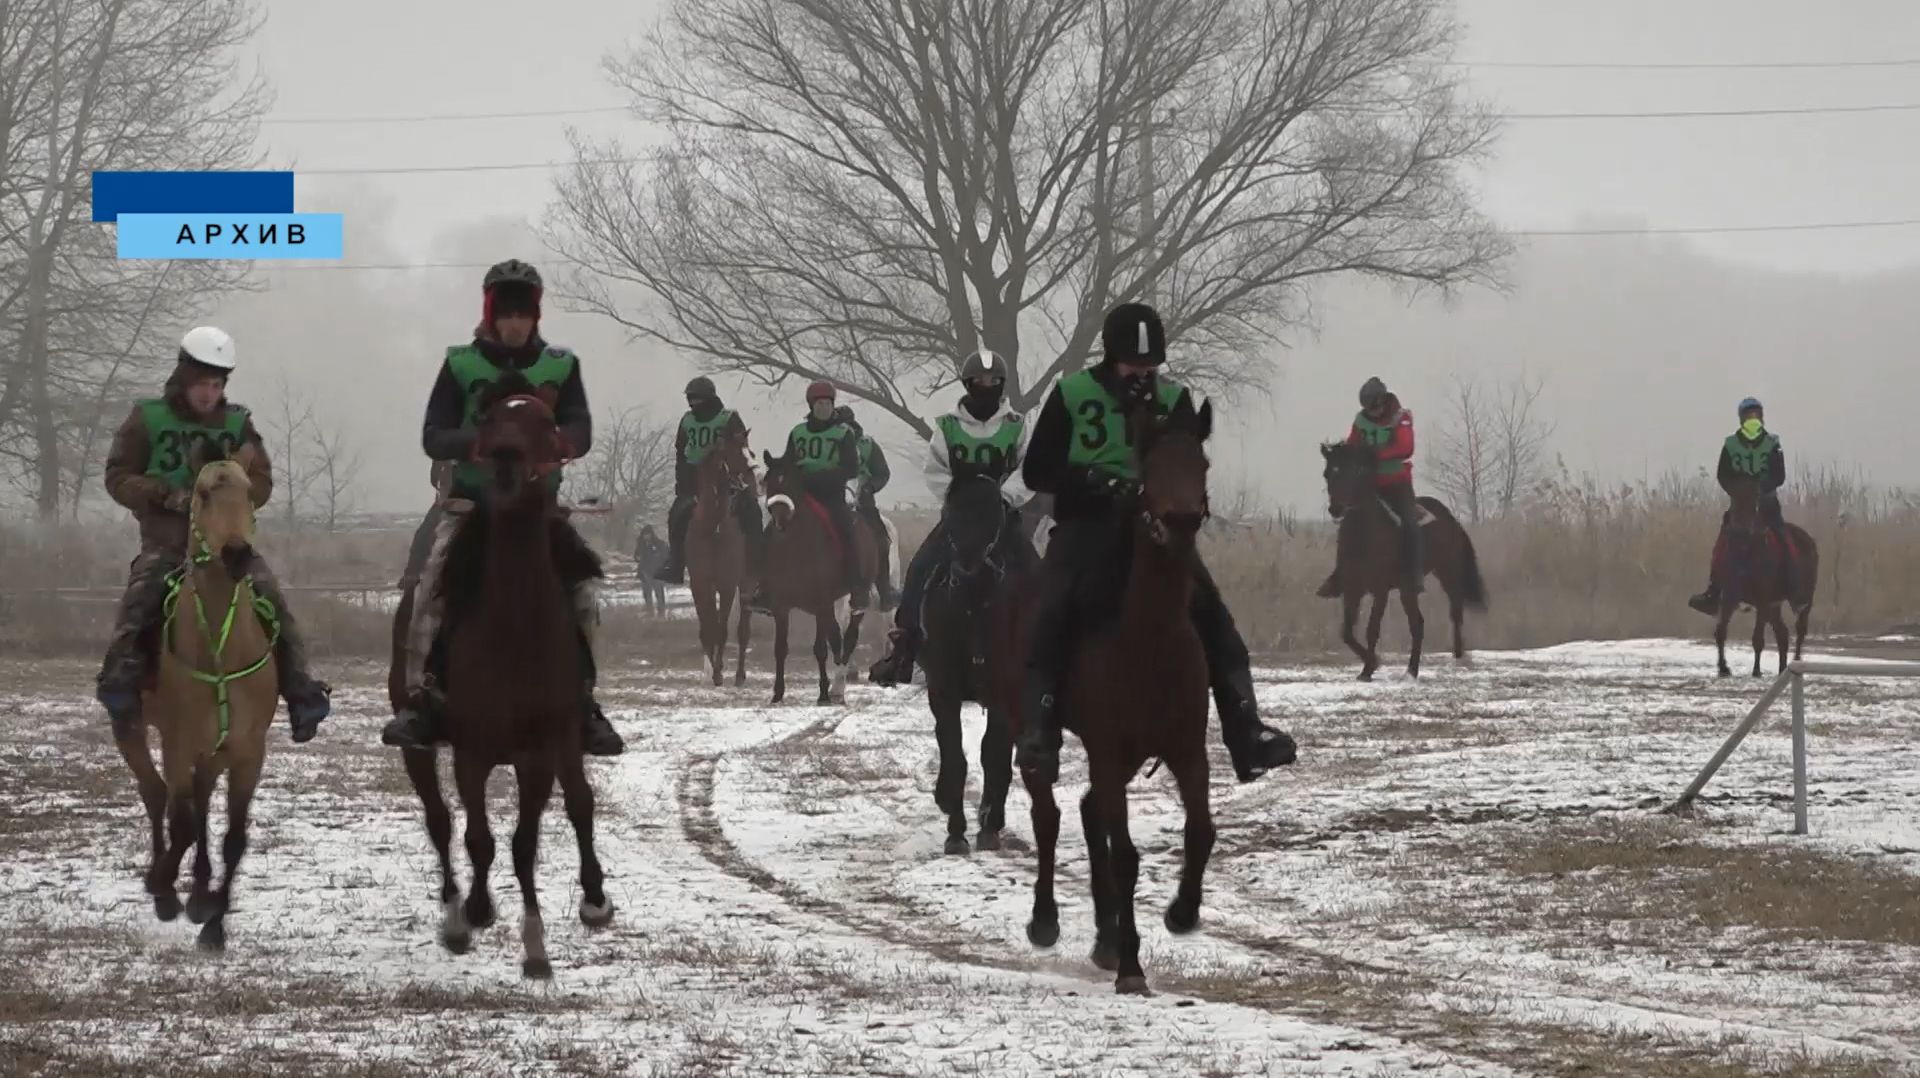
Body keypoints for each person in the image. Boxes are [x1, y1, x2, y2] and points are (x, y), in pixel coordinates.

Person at [1013, 302, 1297, 785]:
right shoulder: (1072, 393)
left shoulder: (1175, 400)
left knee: (1212, 613)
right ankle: (1039, 729)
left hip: (1158, 531)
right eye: (1133, 366)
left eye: (1151, 367)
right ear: (1111, 358)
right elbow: (1037, 470)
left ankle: (1245, 732)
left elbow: (1188, 461)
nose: (1143, 375)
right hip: (1087, 524)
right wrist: (1091, 480)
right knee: (1054, 605)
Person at [379, 259, 623, 755]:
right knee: (429, 591)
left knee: (583, 596)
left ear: (535, 315)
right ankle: (421, 700)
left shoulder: (561, 364)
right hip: (471, 506)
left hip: (538, 511)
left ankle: (584, 702)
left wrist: (555, 443)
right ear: (491, 314)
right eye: (506, 314)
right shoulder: (459, 364)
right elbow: (433, 435)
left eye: (523, 314)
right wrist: (481, 444)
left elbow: (581, 429)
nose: (515, 324)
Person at [96, 326, 332, 744]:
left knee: (271, 597)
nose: (208, 393)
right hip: (168, 541)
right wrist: (161, 493)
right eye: (201, 383)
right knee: (143, 594)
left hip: (228, 542)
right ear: (183, 378)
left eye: (216, 384)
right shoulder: (147, 418)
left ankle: (300, 690)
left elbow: (262, 480)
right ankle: (122, 679)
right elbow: (117, 476)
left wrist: (235, 494)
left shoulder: (238, 423)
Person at [869, 349, 1030, 686]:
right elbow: (935, 470)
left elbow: (1026, 470)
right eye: (980, 381)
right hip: (959, 518)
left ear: (1002, 384)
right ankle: (904, 648)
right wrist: (959, 499)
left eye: (993, 381)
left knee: (1036, 570)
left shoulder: (1017, 425)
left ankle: (1047, 650)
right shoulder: (948, 426)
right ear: (968, 383)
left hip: (1001, 517)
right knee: (920, 568)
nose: (987, 386)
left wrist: (1003, 497)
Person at [749, 381, 871, 612]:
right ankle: (764, 587)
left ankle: (857, 586)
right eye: (820, 403)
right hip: (801, 493)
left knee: (847, 529)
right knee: (772, 530)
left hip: (831, 494)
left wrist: (828, 476)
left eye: (828, 403)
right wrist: (775, 467)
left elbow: (851, 468)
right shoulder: (798, 432)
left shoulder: (843, 433)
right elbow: (788, 460)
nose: (824, 407)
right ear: (812, 406)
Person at [653, 376, 766, 586]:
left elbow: (741, 448)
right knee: (676, 516)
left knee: (752, 511)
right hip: (694, 479)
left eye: (697, 399)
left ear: (709, 398)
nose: (693, 403)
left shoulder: (729, 417)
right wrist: (682, 483)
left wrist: (738, 475)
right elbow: (681, 452)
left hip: (728, 479)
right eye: (691, 399)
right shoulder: (687, 420)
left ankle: (758, 566)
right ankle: (675, 564)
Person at [1317, 377, 1421, 597]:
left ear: (1383, 401)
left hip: (1396, 482)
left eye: (1374, 407)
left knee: (1409, 522)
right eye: (1367, 409)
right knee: (1349, 524)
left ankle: (1413, 574)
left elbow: (1406, 446)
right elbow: (1353, 443)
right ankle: (1339, 576)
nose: (1371, 413)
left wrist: (1376, 455)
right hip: (1369, 484)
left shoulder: (1401, 418)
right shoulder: (1360, 421)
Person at [1689, 397, 1793, 614]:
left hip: (1767, 502)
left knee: (1784, 538)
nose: (1753, 419)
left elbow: (1779, 475)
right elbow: (1722, 474)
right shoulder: (1730, 445)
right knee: (1723, 541)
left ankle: (1794, 584)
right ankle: (1714, 592)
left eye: (1756, 415)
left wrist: (1762, 488)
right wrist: (1738, 492)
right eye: (1749, 416)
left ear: (1762, 417)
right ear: (1742, 419)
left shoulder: (1773, 443)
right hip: (1741, 504)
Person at [840, 403, 897, 609]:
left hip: (862, 500)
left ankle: (884, 590)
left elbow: (883, 473)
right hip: (832, 497)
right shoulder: (829, 443)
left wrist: (870, 487)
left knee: (880, 537)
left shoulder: (867, 444)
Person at [634, 524, 669, 616]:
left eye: (648, 534)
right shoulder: (641, 544)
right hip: (645, 572)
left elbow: (666, 556)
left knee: (659, 593)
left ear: (651, 534)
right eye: (644, 534)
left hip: (657, 572)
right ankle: (650, 611)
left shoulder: (659, 544)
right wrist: (637, 558)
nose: (646, 536)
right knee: (646, 593)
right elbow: (636, 556)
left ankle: (661, 612)